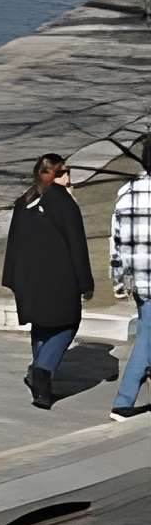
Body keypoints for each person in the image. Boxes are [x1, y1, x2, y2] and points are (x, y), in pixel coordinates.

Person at [5, 153, 92, 408]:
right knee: (67, 323)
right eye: (65, 172)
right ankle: (42, 371)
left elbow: (14, 244)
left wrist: (13, 278)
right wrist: (85, 283)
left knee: (42, 324)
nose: (69, 177)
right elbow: (77, 246)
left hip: (27, 279)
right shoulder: (65, 204)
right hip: (60, 279)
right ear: (56, 175)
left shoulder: (25, 201)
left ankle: (39, 373)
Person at [111, 139, 151, 418]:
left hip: (138, 279)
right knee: (147, 338)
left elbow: (116, 242)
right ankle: (123, 401)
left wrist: (118, 280)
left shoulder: (126, 192)